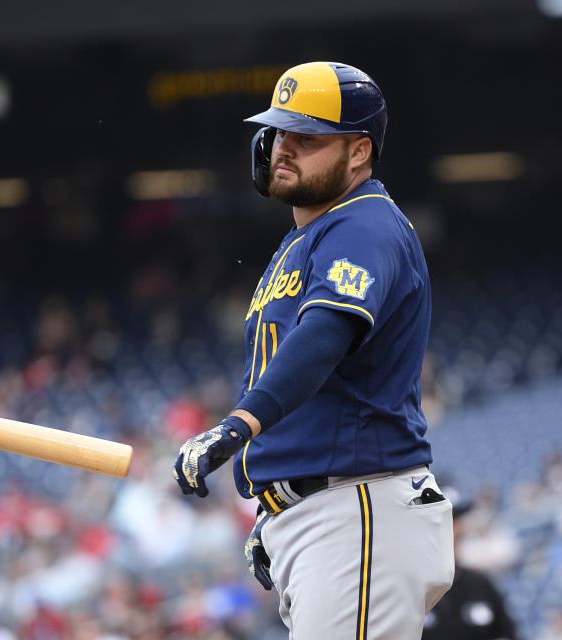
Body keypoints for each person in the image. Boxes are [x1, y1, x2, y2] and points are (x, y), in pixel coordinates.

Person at [173, 61, 455, 639]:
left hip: (355, 509)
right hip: (327, 514)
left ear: (358, 152)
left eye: (308, 137)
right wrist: (275, 508)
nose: (284, 147)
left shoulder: (365, 224)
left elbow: (325, 337)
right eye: (279, 132)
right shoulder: (306, 238)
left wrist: (238, 426)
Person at [422, 488, 518, 640]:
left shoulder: (481, 584)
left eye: (458, 519)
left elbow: (509, 633)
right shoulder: (413, 588)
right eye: (448, 520)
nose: (457, 529)